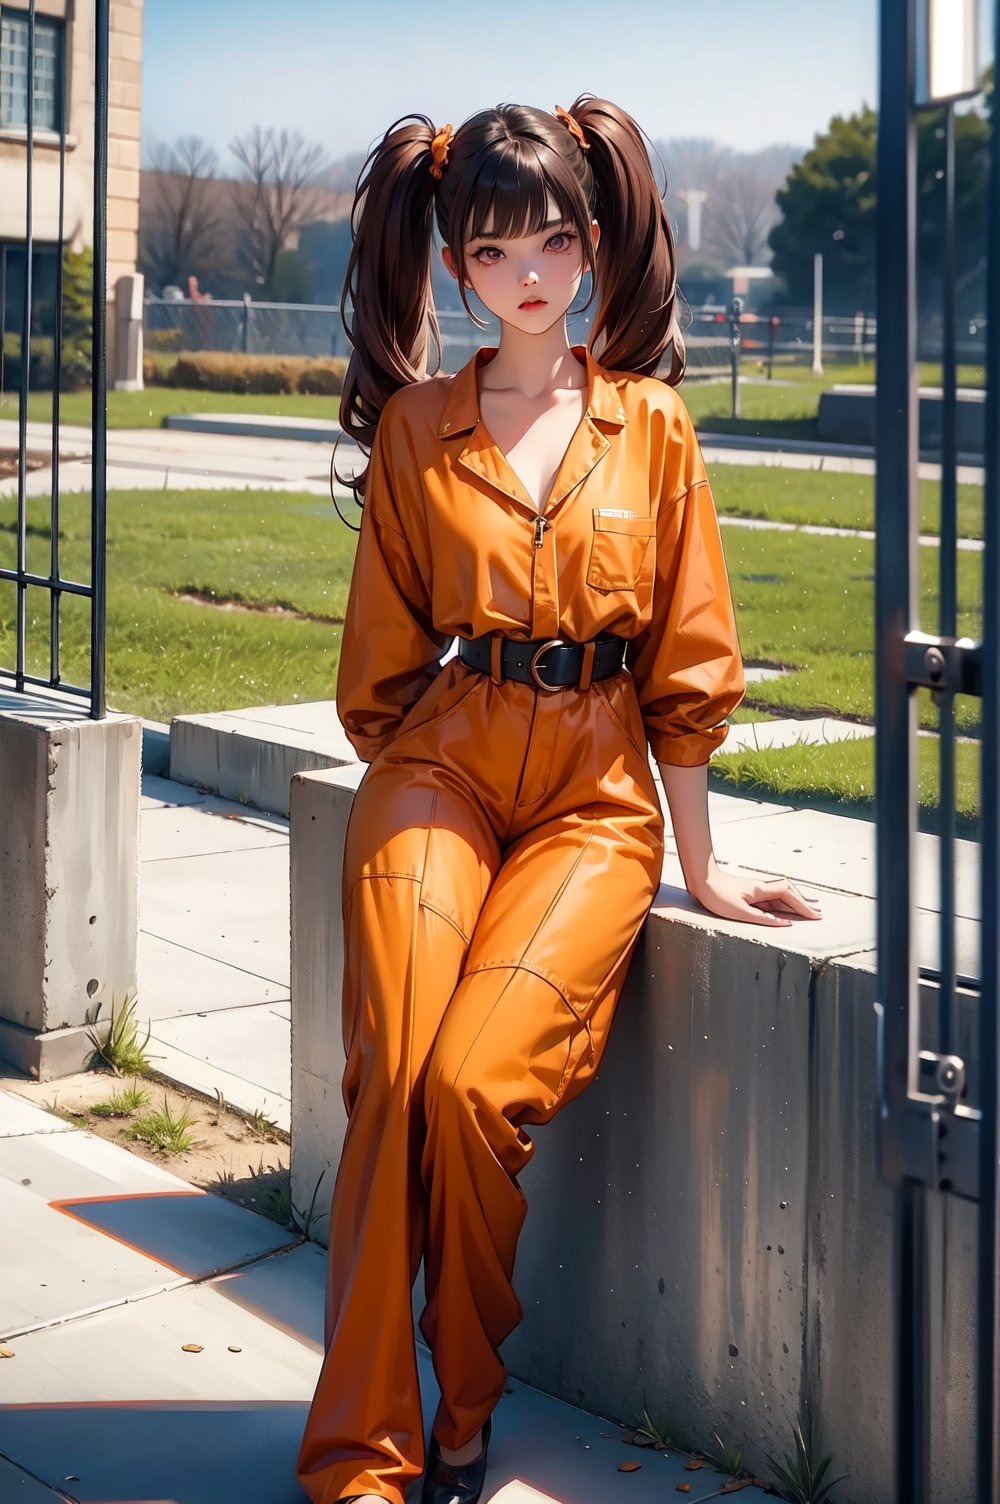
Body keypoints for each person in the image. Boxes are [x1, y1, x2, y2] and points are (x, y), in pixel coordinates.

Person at [296, 95, 822, 1504]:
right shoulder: (418, 428)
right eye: (493, 249)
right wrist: (432, 779)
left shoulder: (652, 432)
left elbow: (691, 664)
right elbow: (377, 679)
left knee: (472, 1085)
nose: (527, 272)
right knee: (399, 1070)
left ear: (590, 246)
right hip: (440, 769)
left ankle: (462, 1400)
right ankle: (358, 1456)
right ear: (457, 268)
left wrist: (701, 869)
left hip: (596, 799)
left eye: (551, 240)